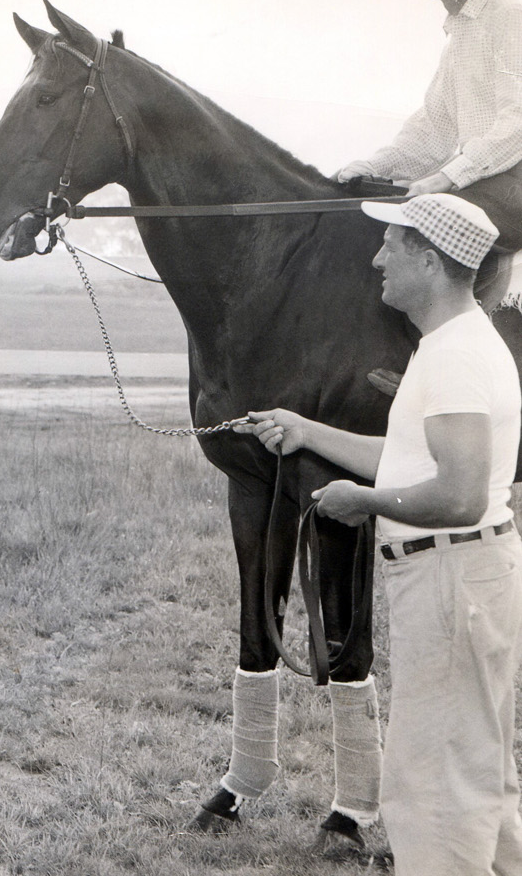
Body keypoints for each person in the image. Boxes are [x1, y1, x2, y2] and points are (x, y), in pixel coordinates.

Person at [238, 192, 522, 873]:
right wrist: (307, 433)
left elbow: (456, 494)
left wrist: (364, 501)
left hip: (450, 577)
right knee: (477, 770)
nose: (375, 260)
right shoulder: (454, 346)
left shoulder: (452, 356)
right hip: (466, 575)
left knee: (430, 785)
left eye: (389, 247)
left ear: (427, 260)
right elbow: (413, 460)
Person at [337, 0, 522, 307]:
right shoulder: (459, 38)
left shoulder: (510, 17)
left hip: (514, 182)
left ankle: (444, 350)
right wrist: (374, 168)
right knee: (372, 206)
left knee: (421, 219)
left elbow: (518, 123)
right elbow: (432, 130)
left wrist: (448, 178)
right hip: (487, 182)